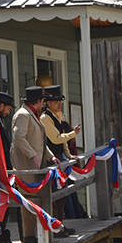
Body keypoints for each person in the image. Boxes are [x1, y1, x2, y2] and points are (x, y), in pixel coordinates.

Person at [10, 86, 53, 243]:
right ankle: (29, 237)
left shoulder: (33, 115)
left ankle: (35, 235)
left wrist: (50, 156)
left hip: (36, 165)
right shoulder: (23, 115)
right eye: (42, 101)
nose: (44, 104)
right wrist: (32, 155)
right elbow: (18, 138)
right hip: (26, 165)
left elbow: (40, 141)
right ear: (37, 101)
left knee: (36, 199)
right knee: (28, 200)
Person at [40, 86, 85, 222]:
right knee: (55, 195)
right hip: (50, 160)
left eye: (60, 101)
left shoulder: (56, 116)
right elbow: (56, 138)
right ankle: (55, 226)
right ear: (48, 103)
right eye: (55, 101)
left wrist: (69, 155)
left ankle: (60, 224)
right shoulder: (45, 118)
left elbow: (62, 141)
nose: (59, 103)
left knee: (62, 195)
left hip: (59, 159)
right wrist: (73, 134)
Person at [0, 91, 17, 243]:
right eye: (8, 109)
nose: (8, 112)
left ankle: (2, 236)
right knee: (1, 206)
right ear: (1, 106)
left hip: (4, 170)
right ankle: (1, 238)